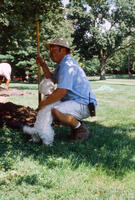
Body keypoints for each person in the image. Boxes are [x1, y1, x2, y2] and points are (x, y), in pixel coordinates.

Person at [36, 38, 97, 142]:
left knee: (56, 110)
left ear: (62, 50)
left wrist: (44, 103)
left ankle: (80, 129)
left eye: (53, 49)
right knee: (53, 107)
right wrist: (43, 64)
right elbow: (52, 79)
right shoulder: (63, 64)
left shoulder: (68, 66)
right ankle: (76, 128)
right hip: (76, 101)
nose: (50, 53)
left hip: (84, 103)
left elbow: (61, 92)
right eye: (50, 49)